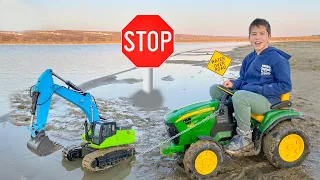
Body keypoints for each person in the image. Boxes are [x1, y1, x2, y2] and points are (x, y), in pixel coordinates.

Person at [209, 18, 292, 155]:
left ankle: (245, 139)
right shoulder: (249, 58)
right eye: (254, 34)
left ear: (269, 37)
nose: (257, 37)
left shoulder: (277, 59)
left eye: (261, 33)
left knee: (239, 96)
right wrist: (233, 84)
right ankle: (227, 123)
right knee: (215, 89)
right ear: (249, 37)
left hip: (267, 100)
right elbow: (243, 79)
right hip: (248, 94)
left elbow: (285, 86)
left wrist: (256, 89)